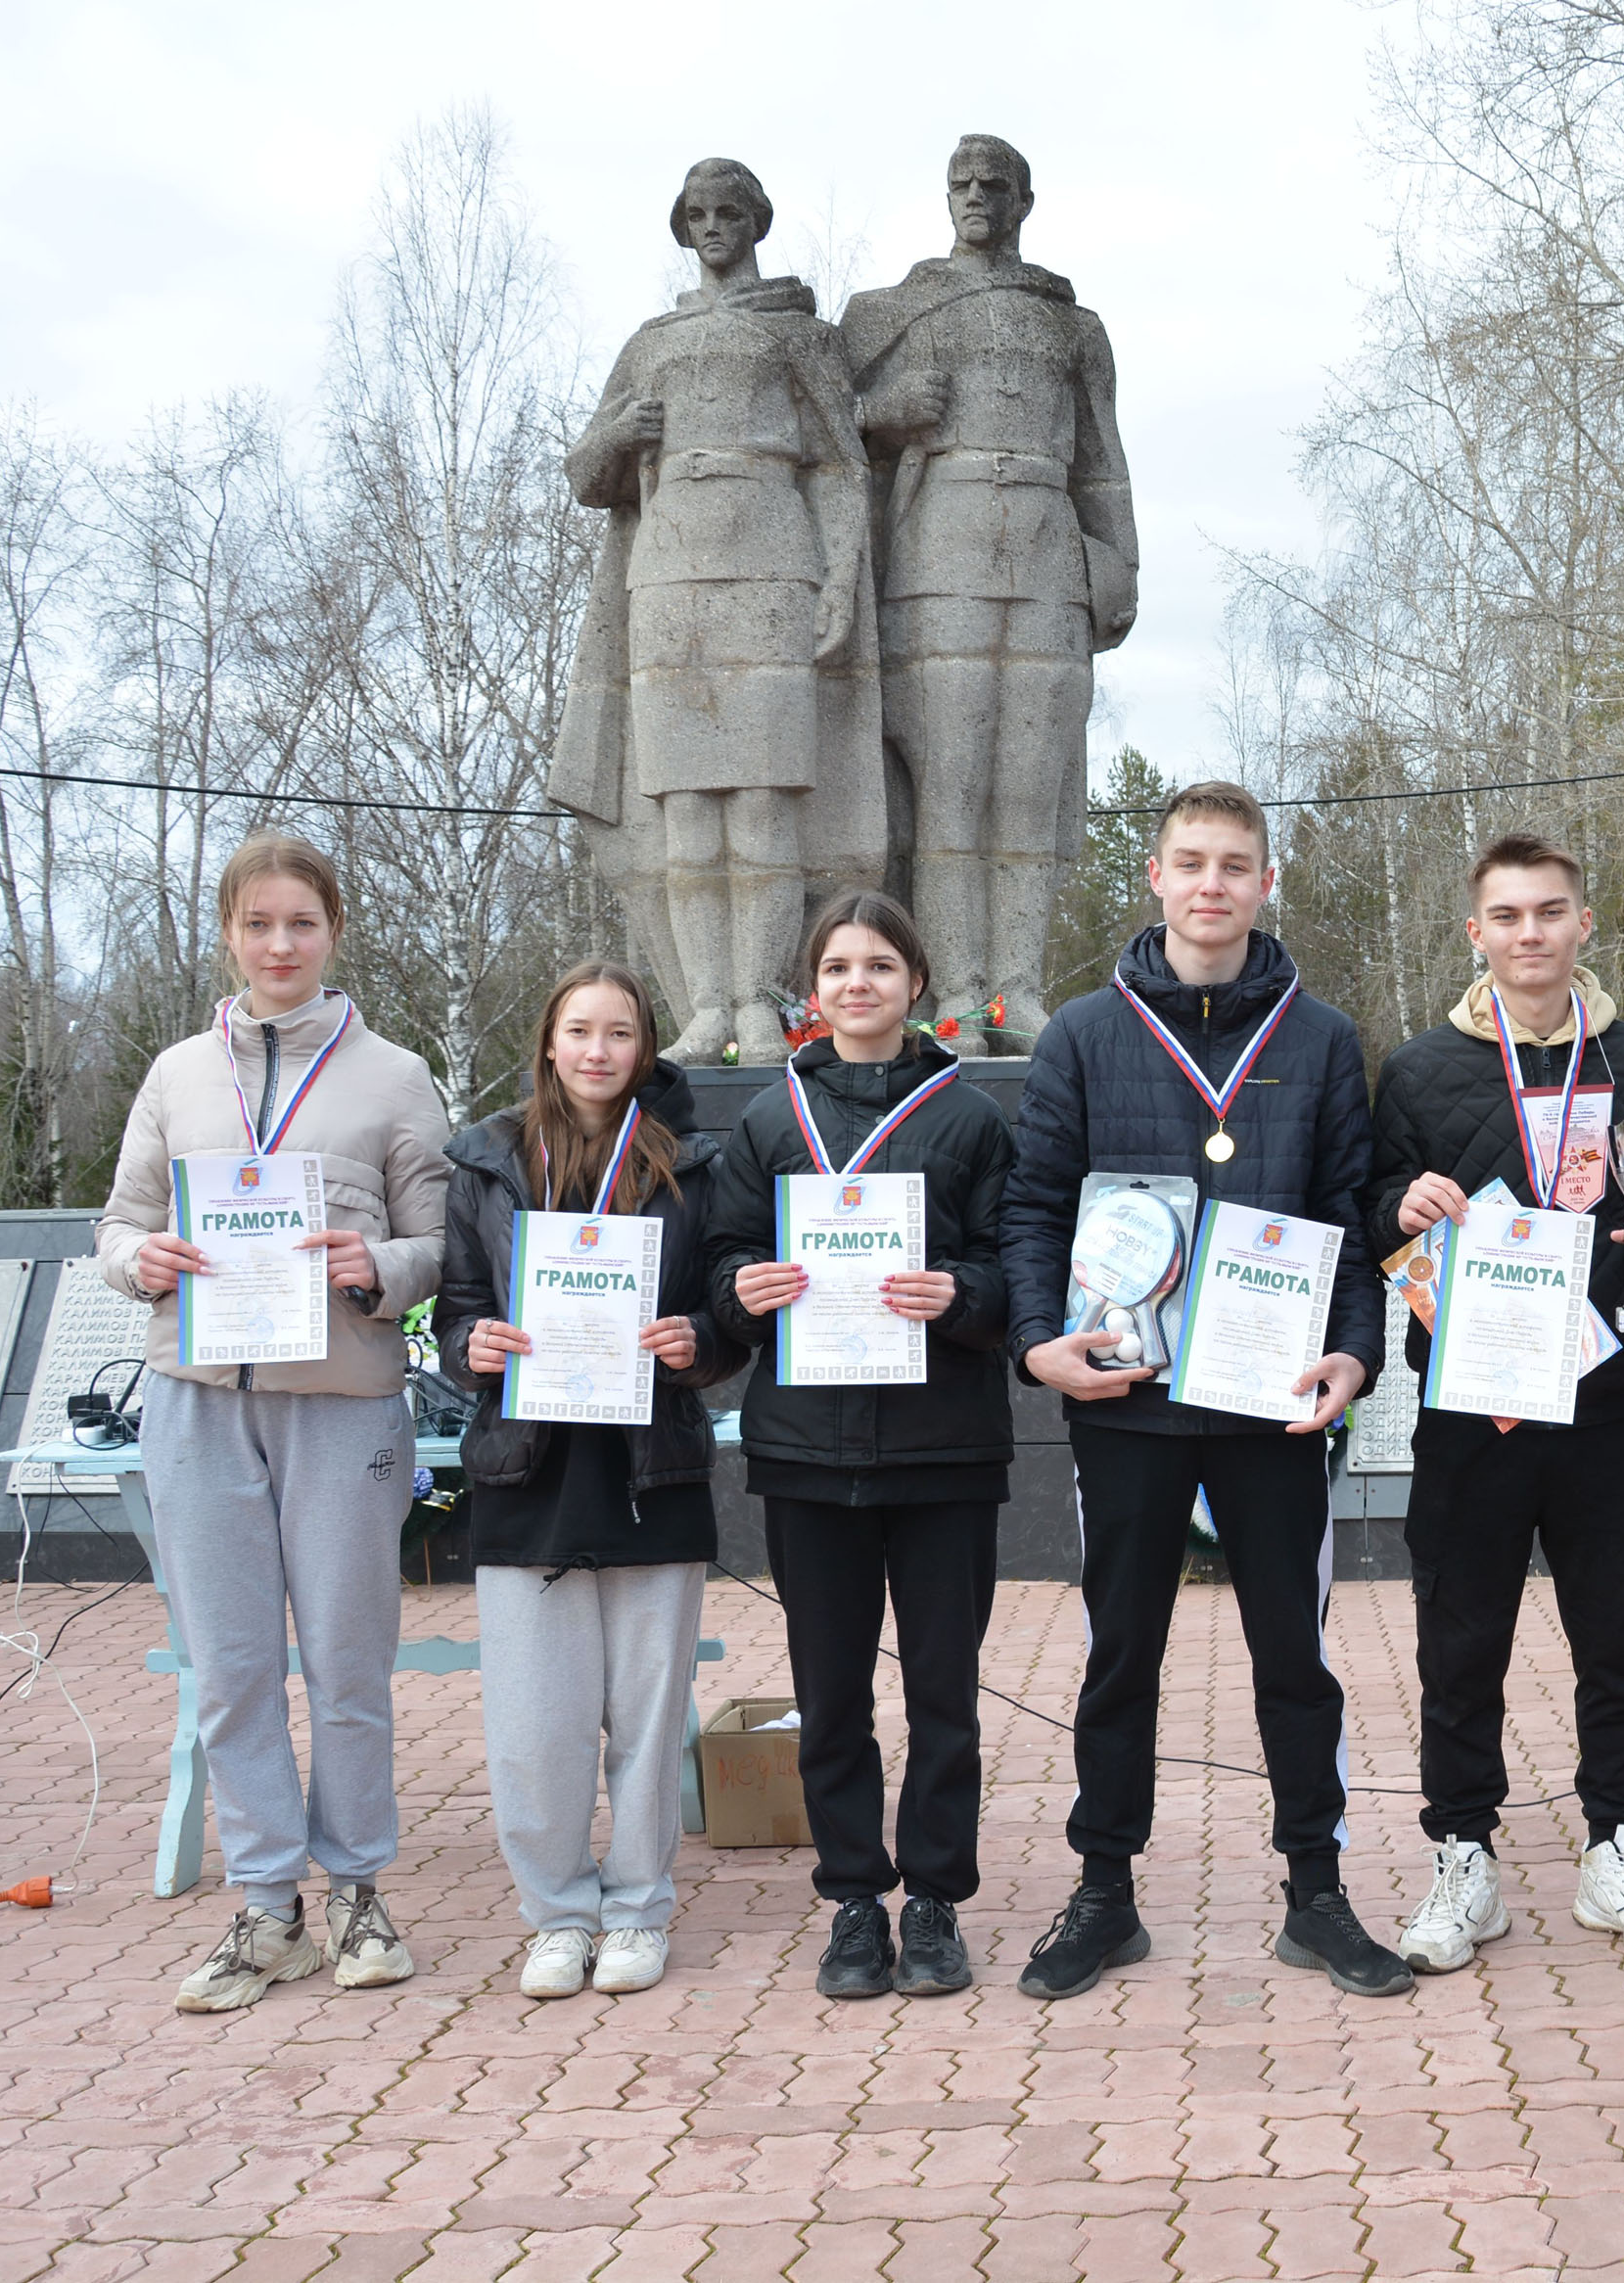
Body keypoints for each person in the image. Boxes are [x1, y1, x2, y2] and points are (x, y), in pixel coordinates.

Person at [998, 782, 1401, 1999]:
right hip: (1126, 1398)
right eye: (1191, 861)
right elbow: (1030, 1210)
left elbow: (1350, 1214)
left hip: (1274, 1397)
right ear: (1157, 879)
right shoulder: (1081, 1034)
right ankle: (1105, 1895)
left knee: (1297, 1654)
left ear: (1266, 882)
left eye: (1236, 863)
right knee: (1121, 1652)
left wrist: (1355, 1354)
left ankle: (1316, 1893)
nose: (1213, 883)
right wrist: (1034, 1344)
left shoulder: (1323, 1038)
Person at [94, 832, 451, 2012]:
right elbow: (114, 1230)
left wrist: (378, 1263)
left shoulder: (396, 1076)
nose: (281, 944)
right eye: (259, 924)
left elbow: (448, 1246)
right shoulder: (175, 1074)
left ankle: (355, 1889)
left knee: (349, 1660)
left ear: (333, 930)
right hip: (198, 1403)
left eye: (301, 922)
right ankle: (265, 1908)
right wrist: (141, 1257)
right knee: (233, 1669)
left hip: (343, 1405)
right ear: (230, 934)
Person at [1365, 832, 1624, 1973]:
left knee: (1617, 1637)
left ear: (1583, 924)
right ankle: (1464, 1856)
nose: (1529, 934)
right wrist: (1397, 1207)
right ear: (1477, 933)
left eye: (1550, 912)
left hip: (1605, 1399)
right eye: (1507, 916)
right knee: (1462, 1644)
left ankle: (1619, 1844)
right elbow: (1370, 1213)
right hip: (1471, 1404)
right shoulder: (1416, 1071)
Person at [702, 892, 1017, 1999]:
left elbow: (1013, 1262)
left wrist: (964, 1290)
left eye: (880, 964)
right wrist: (741, 1287)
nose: (857, 983)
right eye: (837, 966)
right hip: (807, 1451)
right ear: (812, 987)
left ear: (915, 983)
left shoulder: (971, 1117)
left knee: (944, 1690)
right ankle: (851, 1901)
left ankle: (932, 1900)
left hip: (943, 1451)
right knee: (829, 1693)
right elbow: (724, 1254)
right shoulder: (768, 1118)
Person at [435, 963, 743, 1999]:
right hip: (529, 1468)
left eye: (620, 1032)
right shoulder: (484, 1157)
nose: (598, 1050)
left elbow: (727, 1317)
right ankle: (558, 1913)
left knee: (649, 1718)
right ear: (549, 1041)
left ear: (646, 1045)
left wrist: (694, 1337)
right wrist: (472, 1342)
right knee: (534, 1722)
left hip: (650, 1467)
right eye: (579, 1030)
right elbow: (456, 1309)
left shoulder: (696, 1164)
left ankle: (640, 1908)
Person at [556, 157, 889, 1067]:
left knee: (763, 806)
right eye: (697, 213)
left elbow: (839, 464)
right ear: (682, 225)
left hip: (773, 571)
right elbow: (588, 474)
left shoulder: (801, 336)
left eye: (729, 212)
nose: (713, 227)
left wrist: (838, 582)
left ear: (756, 222)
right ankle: (707, 1004)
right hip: (668, 586)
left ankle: (761, 1002)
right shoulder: (651, 342)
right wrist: (622, 435)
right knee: (686, 810)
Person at [843, 133, 1138, 1046]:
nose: (976, 197)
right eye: (961, 184)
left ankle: (1014, 983)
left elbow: (1101, 462)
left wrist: (1118, 563)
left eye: (993, 185)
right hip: (937, 554)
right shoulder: (891, 312)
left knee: (1028, 783)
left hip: (1048, 554)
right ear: (945, 198)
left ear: (1023, 200)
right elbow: (818, 439)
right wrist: (879, 415)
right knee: (949, 782)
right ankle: (955, 990)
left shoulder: (1070, 324)